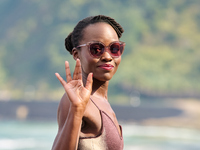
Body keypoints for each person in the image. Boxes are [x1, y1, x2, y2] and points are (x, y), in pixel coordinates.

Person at [52, 15, 125, 150]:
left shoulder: (102, 102)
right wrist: (77, 109)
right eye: (96, 49)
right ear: (76, 54)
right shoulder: (75, 101)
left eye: (114, 48)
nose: (108, 57)